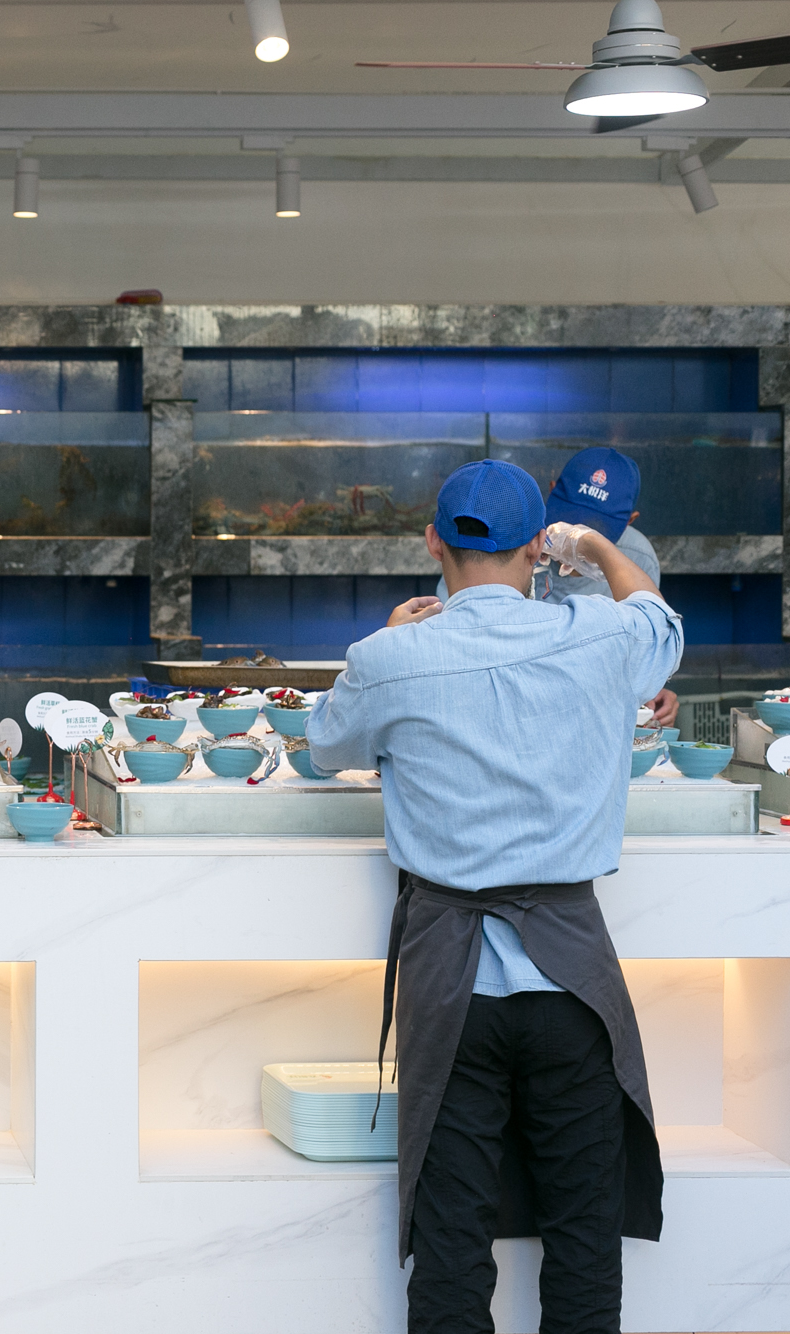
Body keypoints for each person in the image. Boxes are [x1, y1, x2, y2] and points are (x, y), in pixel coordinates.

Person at [307, 459, 683, 1334]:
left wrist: (385, 642)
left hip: (451, 983)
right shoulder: (599, 634)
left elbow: (326, 745)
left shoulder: (390, 657)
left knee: (451, 1242)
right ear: (537, 549)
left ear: (432, 542)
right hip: (572, 976)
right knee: (584, 1237)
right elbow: (660, 622)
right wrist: (597, 547)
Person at [436, 446, 676, 727]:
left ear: (630, 521)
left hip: (592, 718)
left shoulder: (637, 560)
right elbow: (454, 640)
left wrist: (650, 689)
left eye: (594, 531)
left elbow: (653, 641)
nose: (576, 538)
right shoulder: (513, 540)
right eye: (569, 520)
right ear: (551, 492)